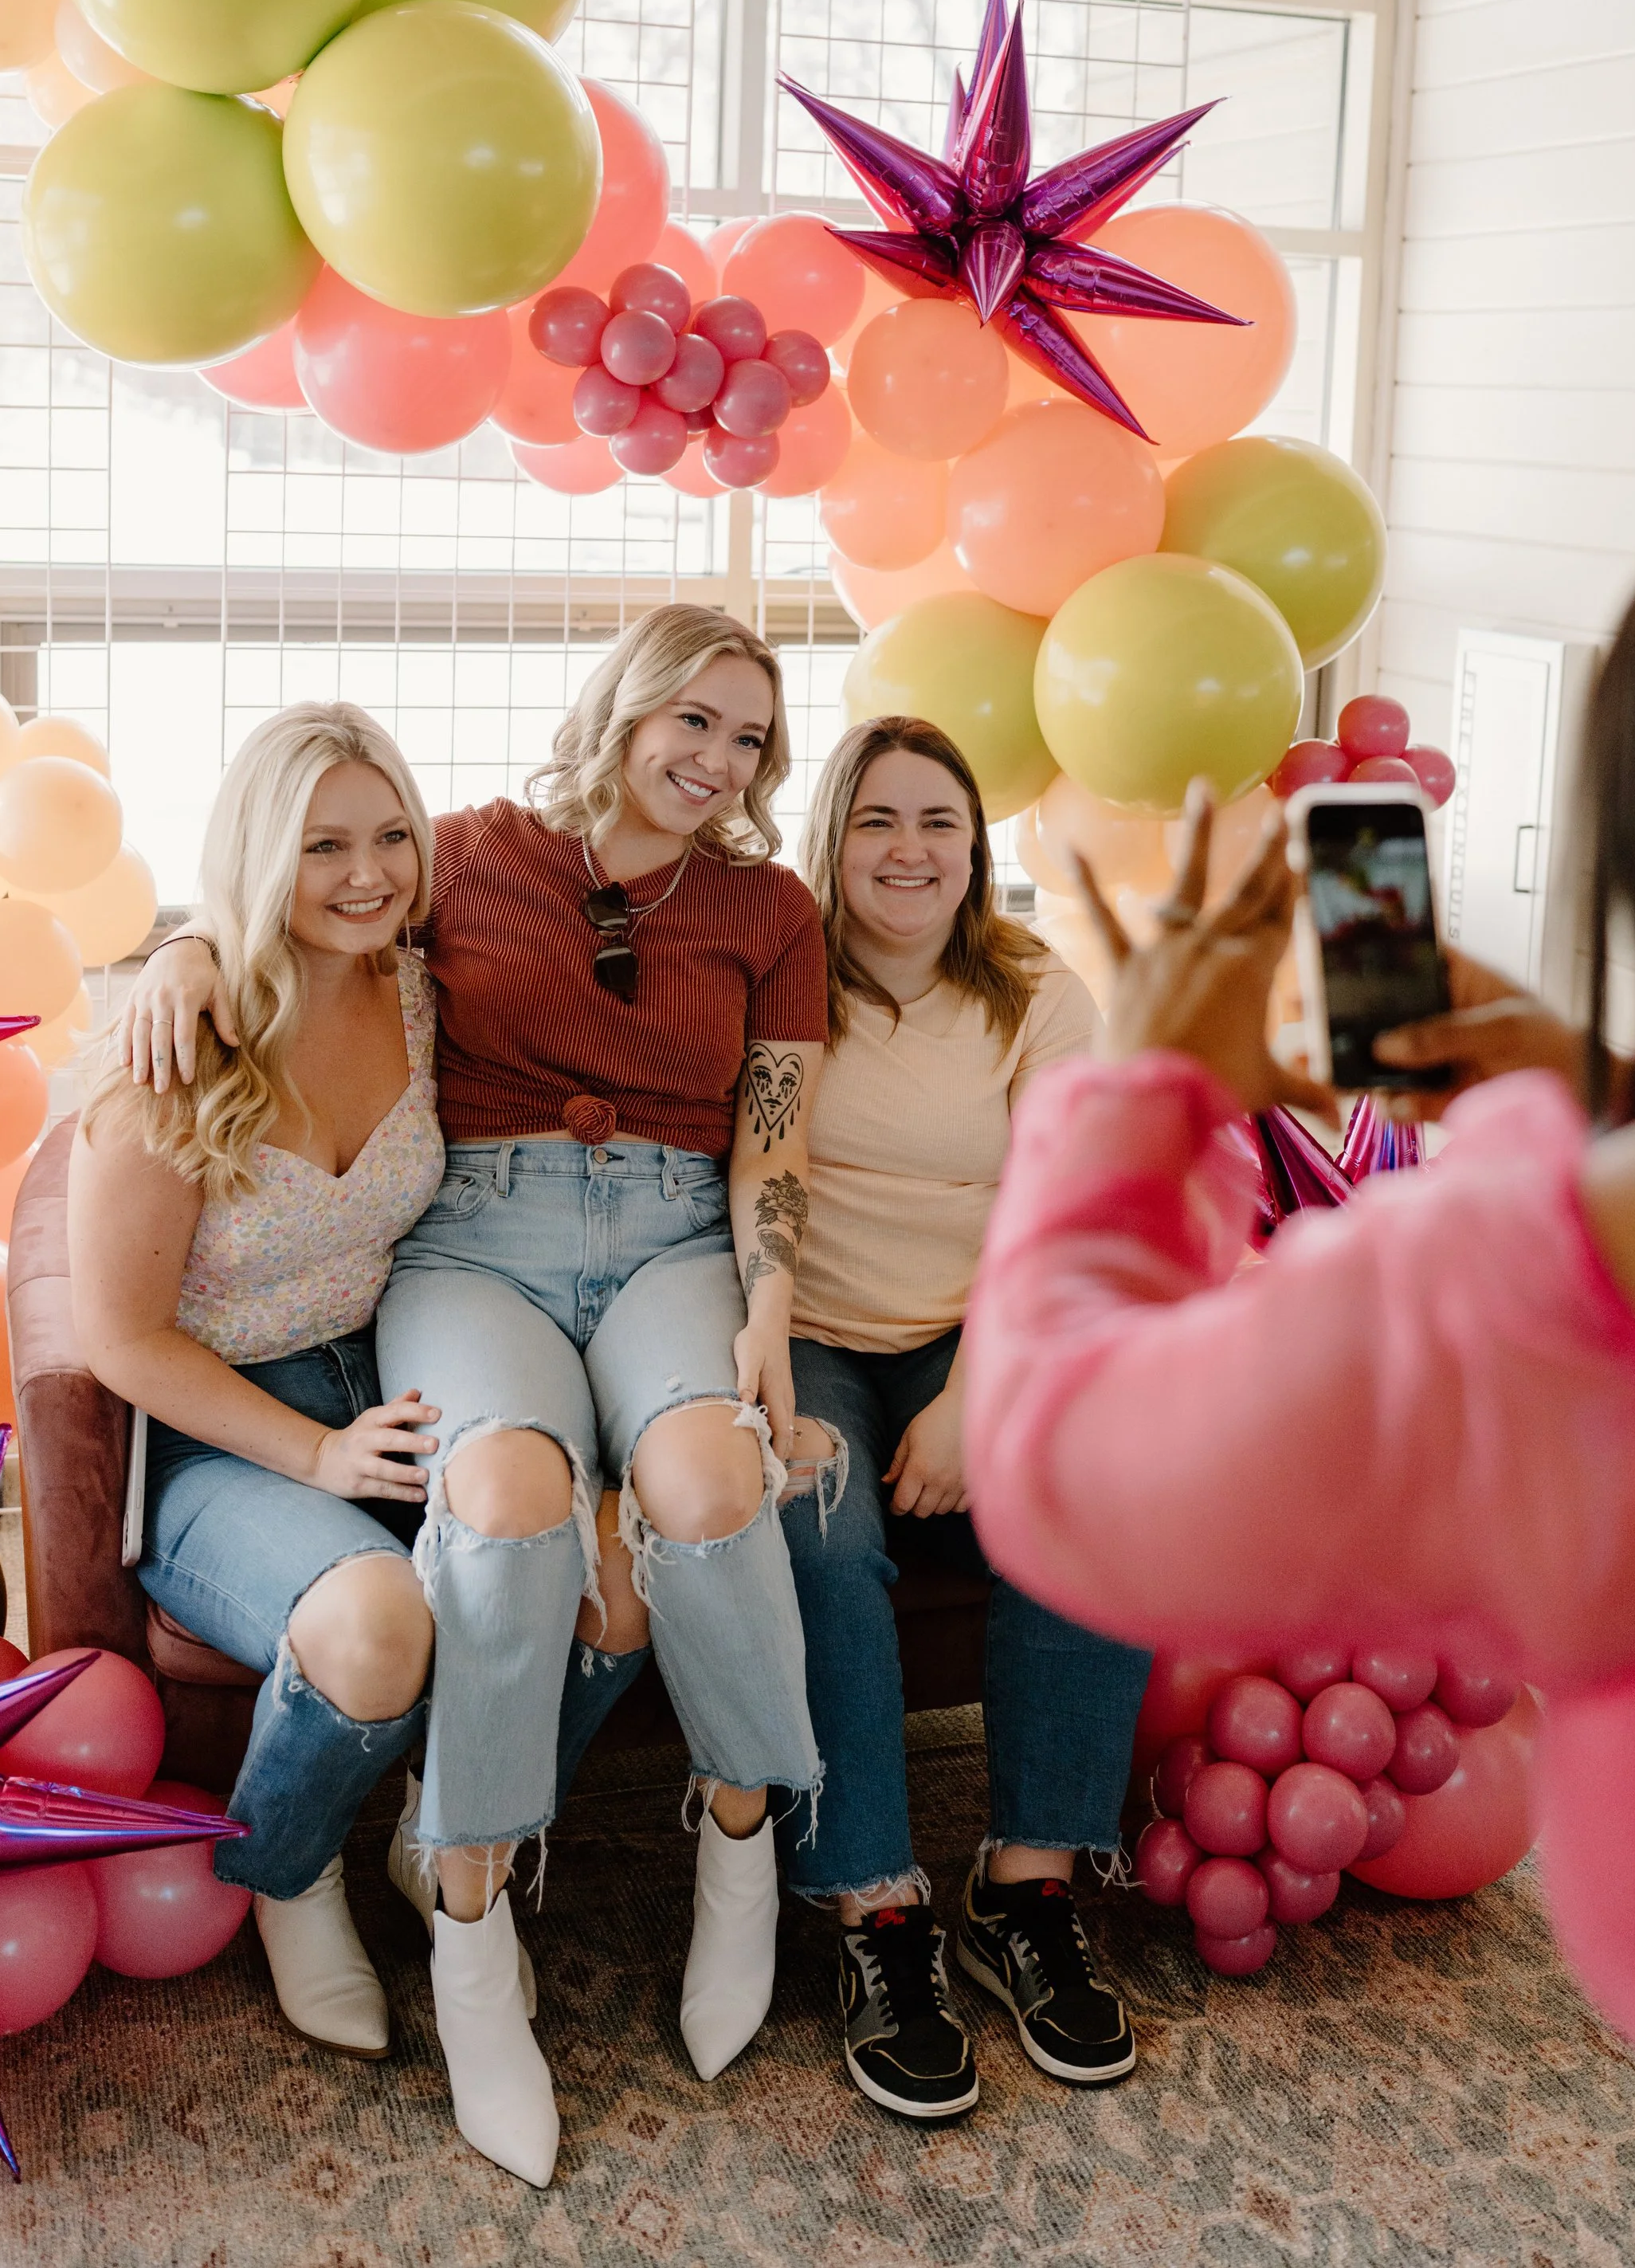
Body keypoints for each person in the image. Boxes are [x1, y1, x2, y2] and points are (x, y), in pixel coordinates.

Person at [964, 425, 1635, 2268]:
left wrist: (1139, 1091)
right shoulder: (1587, 1202)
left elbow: (1058, 1465)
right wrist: (1599, 1103)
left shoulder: (1552, 1267)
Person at [115, 606, 829, 2186]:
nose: (717, 761)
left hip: (671, 1235)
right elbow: (294, 903)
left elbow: (773, 1130)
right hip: (477, 1242)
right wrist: (175, 945)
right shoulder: (454, 858)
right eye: (692, 721)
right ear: (624, 706)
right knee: (506, 1510)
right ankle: (467, 1920)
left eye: (750, 738)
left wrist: (769, 1301)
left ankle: (737, 1846)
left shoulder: (770, 910)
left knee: (709, 1490)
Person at [69, 705, 457, 2064]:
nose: (366, 872)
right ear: (255, 854)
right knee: (375, 1620)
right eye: (322, 845)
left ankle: (449, 1839)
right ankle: (287, 1870)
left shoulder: (424, 980)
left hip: (394, 1363)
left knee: (581, 1557)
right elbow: (121, 1337)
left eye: (391, 832)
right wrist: (312, 1454)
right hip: (216, 1422)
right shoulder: (181, 1039)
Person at [774, 717, 1147, 2121]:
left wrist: (974, 1395)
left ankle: (1026, 1888)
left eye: (940, 820)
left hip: (978, 1328)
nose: (910, 848)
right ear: (833, 837)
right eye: (878, 819)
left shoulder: (1038, 990)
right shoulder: (777, 973)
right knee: (819, 1537)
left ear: (976, 847)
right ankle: (877, 1909)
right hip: (806, 1334)